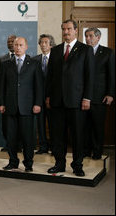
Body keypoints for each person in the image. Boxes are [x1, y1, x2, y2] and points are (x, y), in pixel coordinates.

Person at [46, 19, 95, 177]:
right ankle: (59, 164)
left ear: (75, 31)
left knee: (77, 136)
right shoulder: (56, 50)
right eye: (63, 29)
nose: (66, 32)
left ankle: (77, 165)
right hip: (57, 101)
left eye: (69, 29)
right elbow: (50, 77)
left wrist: (87, 98)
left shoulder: (86, 50)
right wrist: (48, 96)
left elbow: (90, 76)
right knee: (57, 136)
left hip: (77, 101)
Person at [0, 37, 43, 172]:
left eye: (20, 45)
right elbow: (1, 86)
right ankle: (13, 162)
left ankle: (28, 164)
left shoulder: (34, 63)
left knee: (27, 138)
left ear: (26, 46)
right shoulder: (6, 64)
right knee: (11, 137)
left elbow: (39, 86)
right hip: (10, 107)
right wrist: (1, 103)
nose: (17, 47)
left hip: (28, 107)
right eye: (15, 45)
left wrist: (37, 103)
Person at [84, 27, 115, 159]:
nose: (88, 38)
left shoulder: (108, 53)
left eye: (91, 36)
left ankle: (97, 153)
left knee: (97, 126)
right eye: (86, 36)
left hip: (100, 96)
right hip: (83, 96)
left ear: (98, 37)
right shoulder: (82, 51)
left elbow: (112, 75)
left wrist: (110, 94)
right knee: (85, 127)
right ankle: (85, 152)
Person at [32, 34, 56, 155]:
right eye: (41, 42)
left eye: (46, 42)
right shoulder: (35, 60)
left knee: (53, 124)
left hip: (53, 97)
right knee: (40, 123)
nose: (43, 44)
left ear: (51, 44)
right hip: (39, 97)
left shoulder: (57, 58)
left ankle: (54, 147)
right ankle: (43, 146)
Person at [0, 34, 17, 152]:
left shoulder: (28, 59)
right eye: (8, 41)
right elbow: (0, 82)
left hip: (20, 98)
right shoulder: (2, 59)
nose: (10, 43)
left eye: (12, 41)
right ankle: (8, 144)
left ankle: (18, 145)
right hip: (6, 98)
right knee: (6, 124)